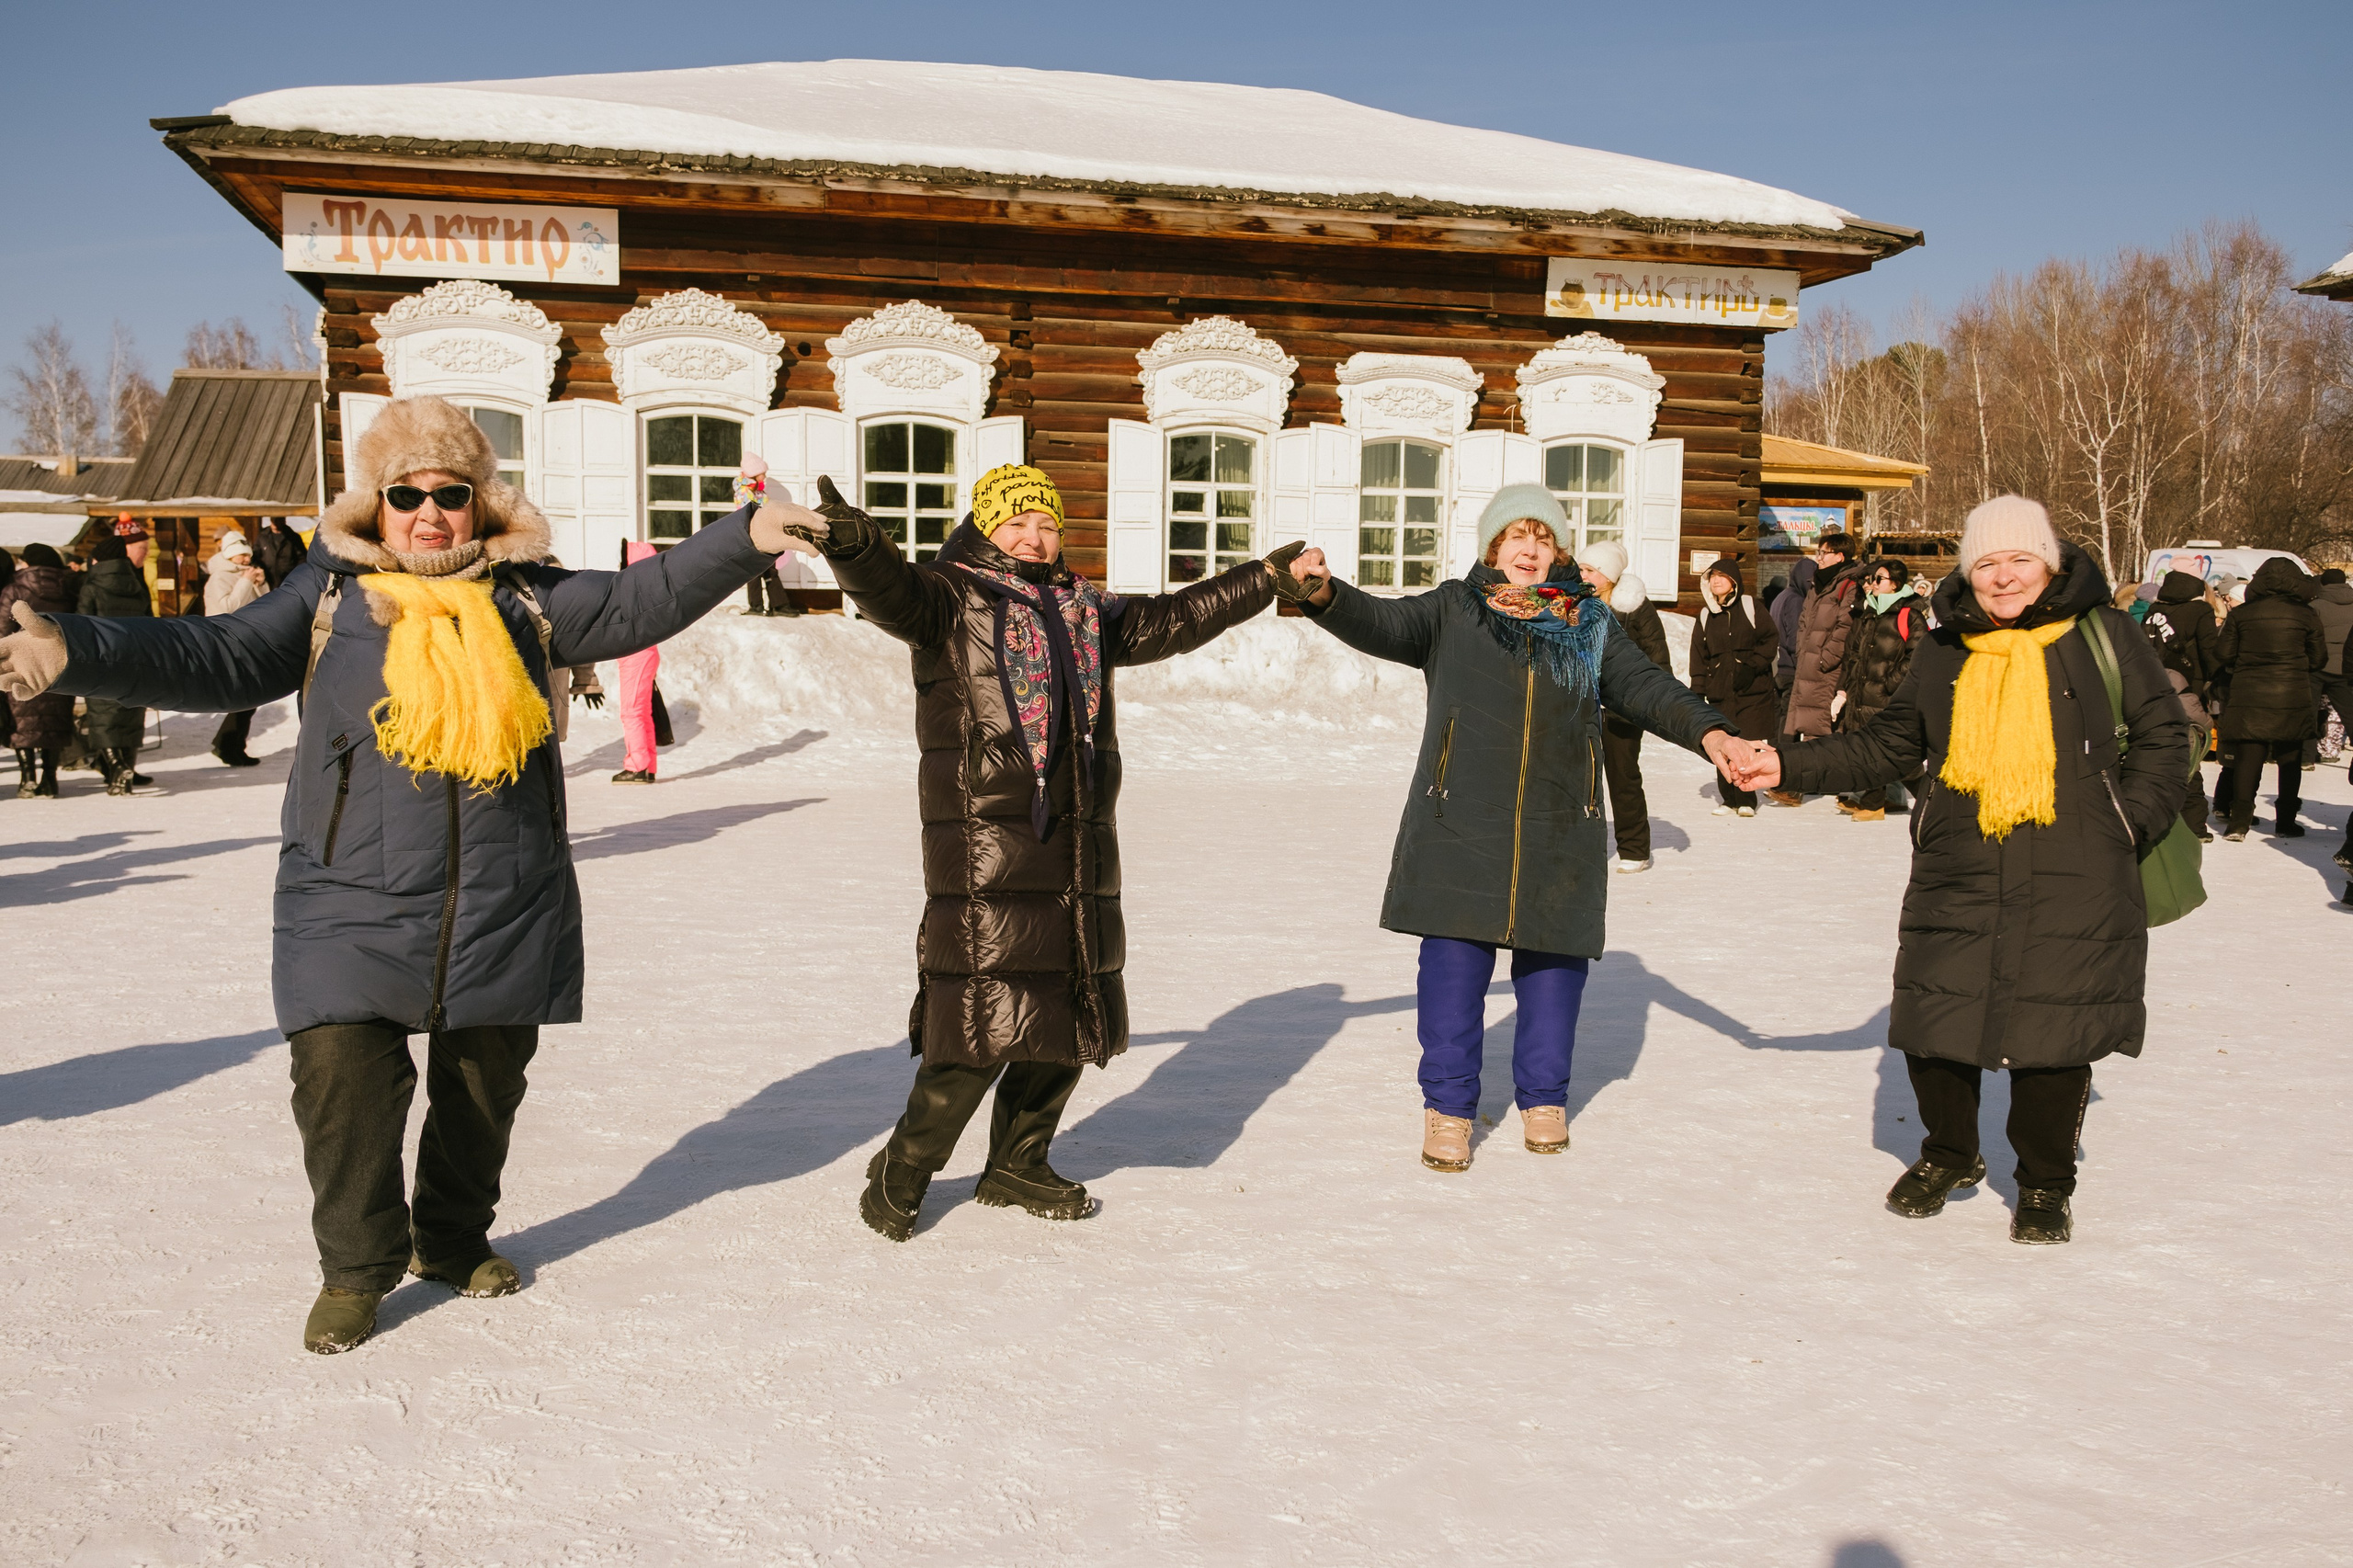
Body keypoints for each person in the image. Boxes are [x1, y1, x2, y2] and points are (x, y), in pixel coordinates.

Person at [0, 394, 806, 1352]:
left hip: (505, 894)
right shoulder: (330, 595)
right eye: (407, 493)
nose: (430, 512)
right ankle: (356, 1267)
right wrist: (77, 644)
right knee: (341, 1082)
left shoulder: (528, 597)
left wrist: (749, 533)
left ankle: (453, 1236)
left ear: (481, 502)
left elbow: (642, 599)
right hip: (348, 892)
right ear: (374, 504)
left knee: (481, 1088)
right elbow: (217, 651)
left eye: (451, 493)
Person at [784, 460, 1288, 1243]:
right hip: (986, 842)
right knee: (983, 1022)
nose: (1036, 535)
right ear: (986, 526)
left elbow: (1171, 620)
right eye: (1017, 520)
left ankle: (1019, 1162)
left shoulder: (1085, 609)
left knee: (1067, 1013)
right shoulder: (950, 597)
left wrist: (1263, 578)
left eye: (1048, 522)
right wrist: (855, 545)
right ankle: (904, 1169)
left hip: (1078, 841)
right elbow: (890, 589)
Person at [1735, 497, 2188, 1244]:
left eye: (2019, 560)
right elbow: (1885, 747)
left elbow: (2164, 737)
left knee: (2056, 1033)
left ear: (2049, 563)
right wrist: (1786, 760)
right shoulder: (1946, 649)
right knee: (1933, 1015)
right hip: (1960, 861)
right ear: (1968, 574)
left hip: (2078, 864)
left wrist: (2122, 821)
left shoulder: (2102, 633)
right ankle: (1950, 1153)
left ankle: (2044, 1183)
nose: (2004, 577)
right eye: (1987, 564)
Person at [1286, 484, 1752, 1173]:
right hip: (1460, 820)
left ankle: (1544, 1100)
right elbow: (1379, 622)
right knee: (1451, 973)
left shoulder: (1590, 624)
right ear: (1493, 549)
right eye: (1515, 537)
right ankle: (1448, 1110)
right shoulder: (1453, 609)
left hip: (1560, 821)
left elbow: (1651, 689)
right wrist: (1322, 593)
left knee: (1553, 975)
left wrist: (1714, 734)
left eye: (1542, 537)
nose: (1529, 549)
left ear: (1557, 551)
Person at [2212, 557, 2325, 840]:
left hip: (2249, 693)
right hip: (2292, 695)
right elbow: (2319, 658)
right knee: (2290, 760)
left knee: (2248, 758)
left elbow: (2223, 653)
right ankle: (2285, 821)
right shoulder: (2307, 614)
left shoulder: (2242, 614)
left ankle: (2239, 822)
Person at [1576, 539, 1670, 871]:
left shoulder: (1635, 607)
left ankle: (1634, 850)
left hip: (1620, 712)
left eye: (1590, 570)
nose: (1583, 574)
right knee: (1578, 781)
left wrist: (1644, 703)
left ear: (1609, 575)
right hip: (1579, 709)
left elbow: (1658, 658)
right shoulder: (1575, 603)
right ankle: (1581, 848)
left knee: (1623, 778)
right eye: (1582, 568)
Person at [1768, 532, 1866, 805]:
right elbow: (1803, 623)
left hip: (1827, 670)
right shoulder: (1817, 585)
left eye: (1824, 553)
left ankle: (1812, 785)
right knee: (1808, 728)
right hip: (1807, 666)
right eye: (1818, 552)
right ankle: (1805, 785)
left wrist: (1825, 659)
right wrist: (1803, 652)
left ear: (1840, 556)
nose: (1818, 558)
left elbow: (1845, 627)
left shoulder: (1849, 584)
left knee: (1822, 729)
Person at [1834, 558, 1927, 822]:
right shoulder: (1869, 613)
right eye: (1872, 579)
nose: (1872, 584)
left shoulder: (1910, 615)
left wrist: (1889, 684)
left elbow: (1917, 657)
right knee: (1869, 747)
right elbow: (1855, 655)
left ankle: (1932, 802)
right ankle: (1873, 800)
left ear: (1895, 584)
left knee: (1901, 756)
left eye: (1879, 579)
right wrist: (1848, 688)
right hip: (1863, 694)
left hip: (1889, 696)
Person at [1688, 558, 1778, 816]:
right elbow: (1699, 655)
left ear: (1734, 581)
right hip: (1720, 692)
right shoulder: (1706, 615)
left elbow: (1770, 639)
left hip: (1752, 691)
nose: (1716, 580)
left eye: (1721, 576)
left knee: (1748, 745)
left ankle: (1747, 800)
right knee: (1722, 745)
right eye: (1712, 577)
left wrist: (1751, 665)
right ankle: (1728, 799)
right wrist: (1698, 689)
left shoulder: (1751, 607)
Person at [2143, 568, 2222, 838]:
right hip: (2188, 685)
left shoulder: (2154, 609)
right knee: (2188, 750)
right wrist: (2218, 682)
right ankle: (2194, 824)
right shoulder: (2200, 612)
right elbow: (2209, 649)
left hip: (2150, 685)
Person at [77, 523, 154, 795]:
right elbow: (149, 622)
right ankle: (127, 773)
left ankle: (117, 768)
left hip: (102, 661)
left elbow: (81, 624)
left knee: (103, 718)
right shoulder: (137, 584)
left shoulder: (93, 586)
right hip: (135, 659)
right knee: (129, 714)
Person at [1, 542, 75, 798]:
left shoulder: (14, 590)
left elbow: (2, 630)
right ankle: (50, 779)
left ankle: (27, 778)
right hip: (59, 666)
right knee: (55, 721)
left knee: (24, 722)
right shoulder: (69, 588)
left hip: (21, 665)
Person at [202, 530, 269, 767]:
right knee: (245, 696)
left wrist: (260, 585)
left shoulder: (246, 574)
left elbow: (265, 607)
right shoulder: (219, 578)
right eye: (241, 555)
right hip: (229, 642)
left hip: (249, 641)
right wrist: (246, 582)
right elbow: (227, 609)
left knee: (250, 697)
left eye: (247, 555)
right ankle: (228, 745)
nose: (246, 559)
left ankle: (231, 744)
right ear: (230, 555)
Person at [611, 540, 664, 784]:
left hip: (636, 655)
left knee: (631, 712)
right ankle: (647, 765)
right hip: (642, 655)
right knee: (642, 712)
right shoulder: (648, 593)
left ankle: (637, 766)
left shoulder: (636, 595)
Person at [2312, 567, 2353, 739]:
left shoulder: (2314, 607)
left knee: (2309, 711)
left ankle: (2306, 756)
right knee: (2349, 712)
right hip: (2346, 666)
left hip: (2319, 665)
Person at [252, 517, 308, 591]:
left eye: (278, 520)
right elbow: (255, 556)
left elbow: (302, 558)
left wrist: (295, 574)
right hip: (267, 579)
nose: (275, 522)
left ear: (284, 520)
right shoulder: (262, 536)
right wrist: (259, 569)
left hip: (288, 580)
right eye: (273, 520)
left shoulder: (293, 537)